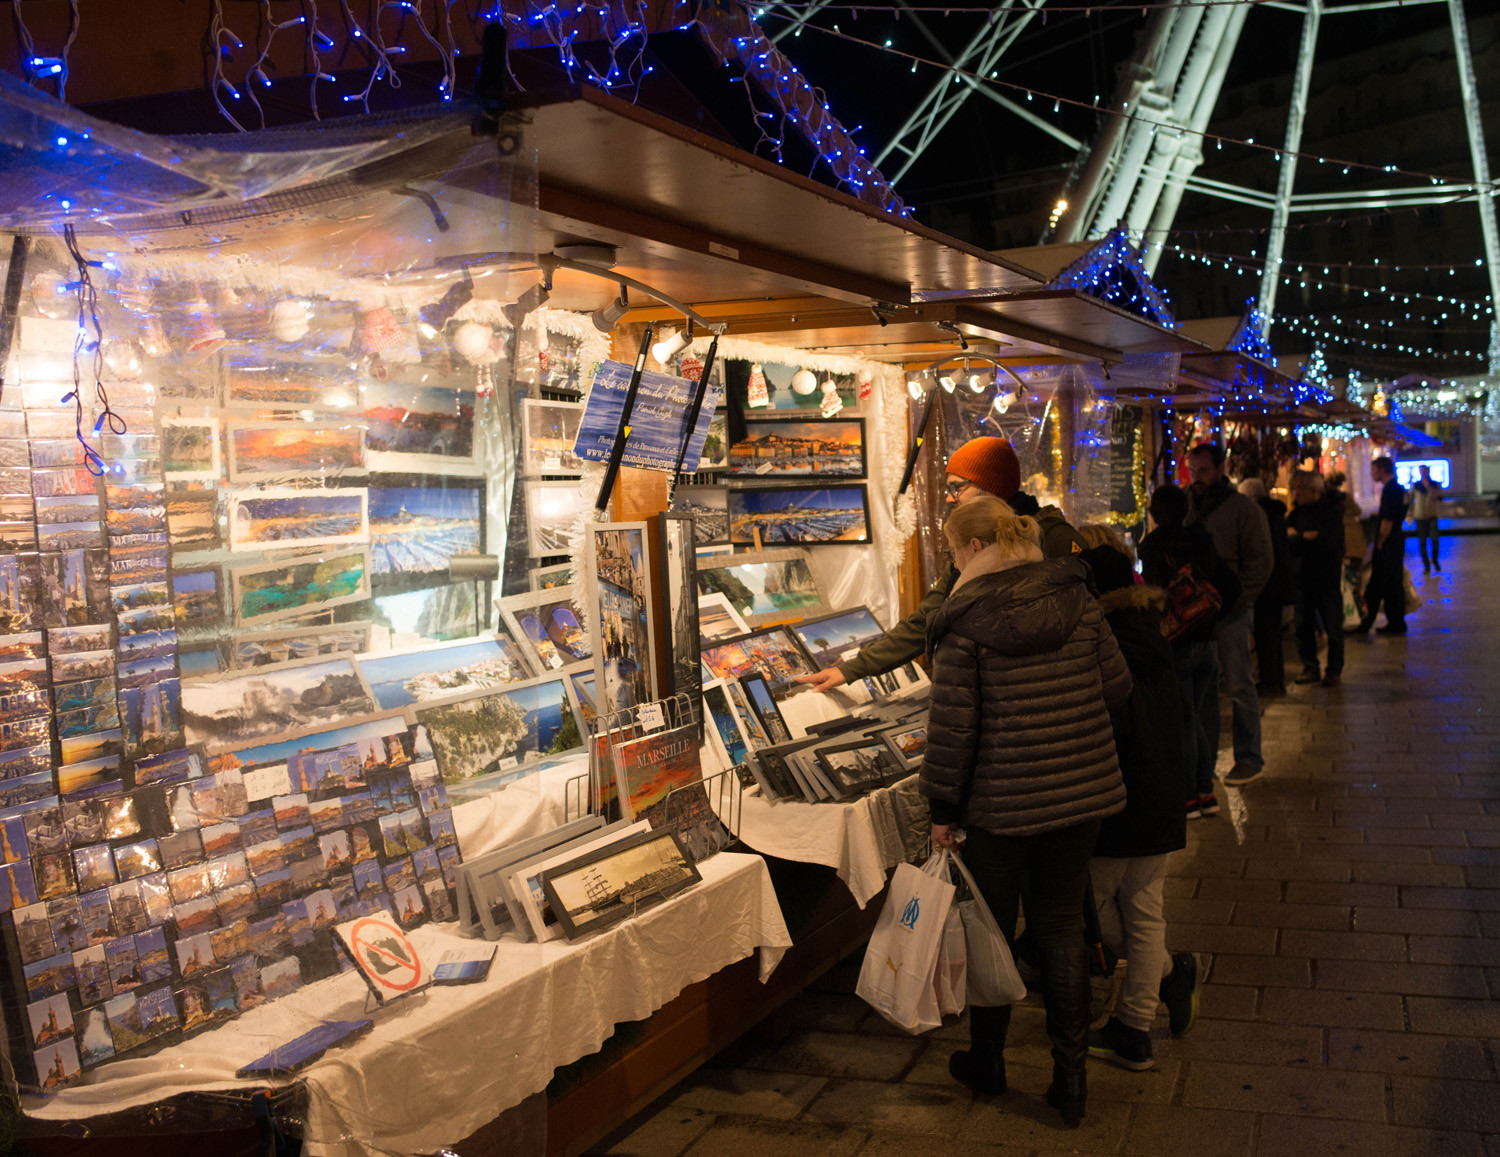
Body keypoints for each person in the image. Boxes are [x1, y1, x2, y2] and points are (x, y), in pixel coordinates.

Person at [923, 497, 1131, 1124]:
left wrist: (940, 810)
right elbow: (1117, 687)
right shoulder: (1078, 599)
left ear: (973, 548)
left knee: (993, 931)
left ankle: (988, 1062)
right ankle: (1071, 1082)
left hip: (1000, 805)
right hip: (1081, 794)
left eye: (954, 551)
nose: (953, 562)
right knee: (1062, 926)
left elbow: (954, 732)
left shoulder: (964, 621)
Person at [797, 436, 1087, 692]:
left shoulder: (1056, 540)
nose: (949, 498)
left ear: (988, 487)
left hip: (1061, 699)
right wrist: (850, 669)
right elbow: (925, 621)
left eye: (957, 487)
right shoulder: (970, 548)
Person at [1075, 530, 1198, 1070]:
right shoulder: (1151, 628)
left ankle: (1139, 1019)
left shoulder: (1103, 641)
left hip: (1118, 794)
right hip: (1160, 792)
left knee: (1096, 911)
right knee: (1144, 915)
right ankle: (1145, 1009)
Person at [1139, 484, 1239, 819]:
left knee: (1186, 720)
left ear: (1156, 511)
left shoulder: (1152, 546)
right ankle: (1206, 790)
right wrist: (1211, 618)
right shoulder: (1201, 539)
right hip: (1207, 641)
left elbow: (1153, 596)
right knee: (1203, 716)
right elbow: (1230, 585)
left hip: (1177, 643)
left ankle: (1191, 796)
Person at [1185, 443, 1273, 788]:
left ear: (1221, 469)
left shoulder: (1242, 509)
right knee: (1204, 688)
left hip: (1231, 611)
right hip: (1196, 612)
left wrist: (1236, 599)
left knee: (1238, 684)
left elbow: (1261, 562)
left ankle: (1249, 757)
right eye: (1192, 472)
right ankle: (1204, 763)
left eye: (1203, 471)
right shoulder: (1188, 504)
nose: (1196, 479)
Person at [1287, 470, 1346, 687]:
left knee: (1333, 627)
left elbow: (1325, 542)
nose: (1296, 493)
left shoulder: (1331, 512)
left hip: (1326, 578)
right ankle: (1310, 667)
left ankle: (1334, 670)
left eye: (1300, 488)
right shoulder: (1296, 513)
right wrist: (1305, 538)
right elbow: (1288, 541)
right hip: (1302, 578)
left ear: (1314, 490)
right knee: (1303, 627)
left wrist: (1298, 537)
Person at [1237, 477, 1288, 696]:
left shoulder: (1258, 515)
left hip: (1265, 584)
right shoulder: (1276, 513)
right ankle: (1276, 679)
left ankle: (1270, 681)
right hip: (1277, 582)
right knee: (1272, 633)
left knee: (1266, 632)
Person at [1357, 455, 1408, 636]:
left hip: (1388, 544)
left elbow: (1387, 520)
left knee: (1377, 584)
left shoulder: (1389, 491)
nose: (1371, 473)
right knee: (1393, 584)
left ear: (1380, 469)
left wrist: (1380, 542)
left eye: (1372, 469)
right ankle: (1396, 623)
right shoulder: (1399, 489)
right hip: (1397, 542)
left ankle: (1365, 622)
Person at [1410, 464, 1443, 574]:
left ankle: (1435, 559)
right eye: (1421, 471)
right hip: (1419, 516)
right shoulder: (1416, 485)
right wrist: (1409, 514)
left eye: (1425, 471)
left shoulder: (1435, 484)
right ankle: (1426, 565)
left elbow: (1440, 497)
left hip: (1432, 515)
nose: (1423, 473)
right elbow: (1409, 498)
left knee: (1434, 539)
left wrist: (1433, 491)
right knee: (1422, 541)